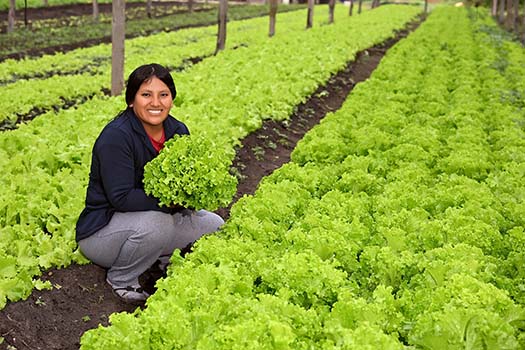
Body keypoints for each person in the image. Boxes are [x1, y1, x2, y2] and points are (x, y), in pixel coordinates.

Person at [75, 63, 224, 304]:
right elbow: (121, 198)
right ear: (131, 100)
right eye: (146, 95)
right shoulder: (116, 137)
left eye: (163, 95)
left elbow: (187, 178)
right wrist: (171, 201)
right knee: (159, 223)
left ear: (171, 99)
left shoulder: (177, 130)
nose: (156, 102)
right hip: (102, 234)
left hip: (147, 224)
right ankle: (121, 279)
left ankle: (161, 262)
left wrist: (193, 194)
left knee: (213, 224)